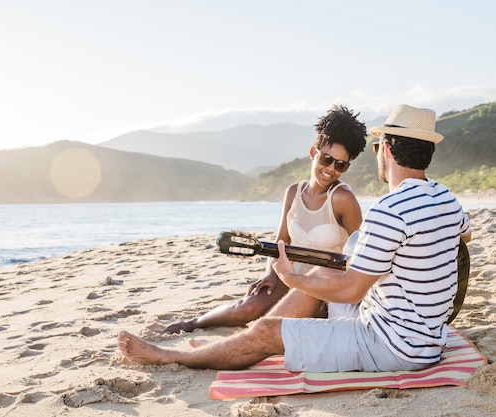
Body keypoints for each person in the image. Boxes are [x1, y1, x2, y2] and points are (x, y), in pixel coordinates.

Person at [118, 104, 472, 372]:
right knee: (318, 278)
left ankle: (171, 355)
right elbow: (464, 239)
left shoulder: (389, 209)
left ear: (388, 151)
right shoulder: (447, 199)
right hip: (422, 332)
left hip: (392, 345)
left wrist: (288, 276)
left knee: (267, 332)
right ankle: (239, 340)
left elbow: (352, 290)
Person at [164, 105, 367, 334]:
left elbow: (362, 251)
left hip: (323, 288)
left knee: (285, 326)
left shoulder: (342, 199)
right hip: (289, 274)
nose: (331, 169)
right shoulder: (293, 192)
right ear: (313, 153)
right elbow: (281, 241)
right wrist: (270, 274)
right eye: (326, 159)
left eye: (340, 165)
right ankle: (192, 324)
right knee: (248, 308)